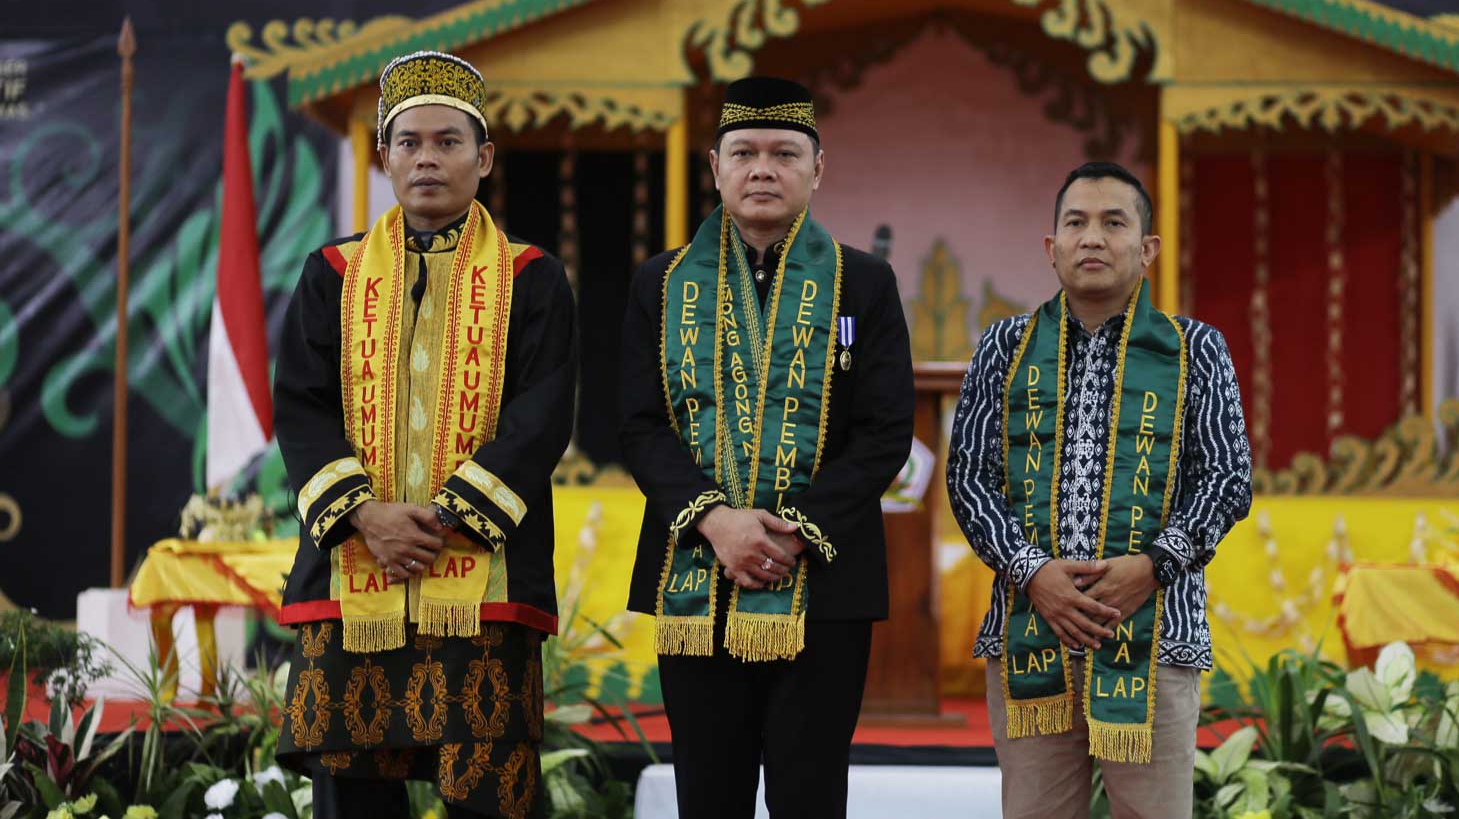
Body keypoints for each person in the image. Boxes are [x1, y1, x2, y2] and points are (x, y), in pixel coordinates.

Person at [272, 50, 577, 819]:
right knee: (354, 797)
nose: (428, 158)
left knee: (490, 796)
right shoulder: (332, 273)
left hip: (484, 581)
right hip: (352, 572)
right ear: (384, 158)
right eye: (409, 142)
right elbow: (302, 409)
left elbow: (541, 415)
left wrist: (440, 521)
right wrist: (367, 516)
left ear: (485, 157)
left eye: (448, 141)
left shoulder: (530, 275)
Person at [618, 76, 915, 819]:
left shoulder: (865, 283)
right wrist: (717, 520)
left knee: (809, 794)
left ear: (818, 168)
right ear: (714, 167)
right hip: (695, 573)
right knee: (708, 796)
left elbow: (885, 431)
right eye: (743, 152)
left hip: (824, 582)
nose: (762, 169)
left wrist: (791, 531)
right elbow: (638, 423)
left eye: (785, 153)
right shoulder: (661, 283)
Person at [947, 162, 1252, 819]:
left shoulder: (1195, 348)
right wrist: (1033, 573)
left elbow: (1228, 476)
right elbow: (969, 477)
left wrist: (1152, 566)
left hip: (1156, 634)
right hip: (1030, 631)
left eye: (1114, 222)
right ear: (1051, 248)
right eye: (1075, 222)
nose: (1092, 237)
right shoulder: (1004, 346)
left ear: (1147, 249)